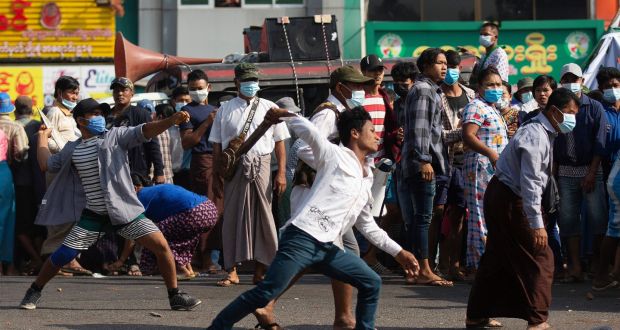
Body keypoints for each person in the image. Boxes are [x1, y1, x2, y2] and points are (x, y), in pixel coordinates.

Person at [208, 107, 420, 330]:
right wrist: (284, 113)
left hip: (328, 247)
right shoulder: (334, 155)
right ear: (354, 133)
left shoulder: (367, 177)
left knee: (371, 282)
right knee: (266, 292)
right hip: (302, 238)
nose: (377, 136)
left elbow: (367, 225)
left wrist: (399, 252)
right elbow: (309, 131)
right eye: (371, 130)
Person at [19, 98, 200, 311]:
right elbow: (46, 164)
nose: (99, 118)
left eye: (101, 113)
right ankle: (34, 291)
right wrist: (42, 138)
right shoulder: (73, 149)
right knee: (62, 255)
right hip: (94, 215)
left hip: (124, 211)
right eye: (94, 114)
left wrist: (171, 120)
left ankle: (175, 295)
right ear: (81, 121)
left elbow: (145, 130)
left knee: (162, 247)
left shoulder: (115, 137)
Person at [467, 88, 580, 330]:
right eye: (569, 113)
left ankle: (477, 314)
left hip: (505, 195)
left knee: (497, 256)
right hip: (510, 198)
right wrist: (537, 225)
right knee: (541, 256)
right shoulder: (535, 134)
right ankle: (537, 320)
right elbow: (531, 183)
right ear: (554, 112)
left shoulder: (546, 131)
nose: (573, 119)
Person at [292, 65, 375, 328]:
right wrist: (333, 167)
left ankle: (343, 316)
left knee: (337, 252)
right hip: (319, 194)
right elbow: (303, 147)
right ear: (341, 87)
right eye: (357, 85)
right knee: (333, 252)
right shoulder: (328, 113)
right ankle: (344, 316)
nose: (361, 90)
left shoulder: (343, 111)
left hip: (332, 196)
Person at [209, 63, 289, 287]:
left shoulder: (270, 107)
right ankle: (231, 270)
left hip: (262, 165)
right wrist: (216, 175)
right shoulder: (225, 109)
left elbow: (280, 142)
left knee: (264, 216)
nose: (251, 84)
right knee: (232, 217)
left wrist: (281, 172)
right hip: (233, 168)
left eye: (254, 80)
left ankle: (262, 270)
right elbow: (216, 145)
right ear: (236, 82)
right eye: (246, 80)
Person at [402, 48, 452, 286]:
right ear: (426, 66)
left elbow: (433, 132)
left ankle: (415, 270)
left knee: (420, 218)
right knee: (423, 218)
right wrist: (424, 160)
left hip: (423, 161)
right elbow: (419, 130)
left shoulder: (429, 90)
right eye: (440, 63)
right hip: (422, 164)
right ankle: (423, 269)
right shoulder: (423, 90)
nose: (445, 67)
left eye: (446, 63)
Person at [555, 63, 607, 283]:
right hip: (565, 171)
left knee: (598, 218)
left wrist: (592, 172)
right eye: (566, 79)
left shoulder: (594, 107)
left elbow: (600, 142)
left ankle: (596, 264)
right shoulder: (556, 107)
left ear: (582, 81)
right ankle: (575, 267)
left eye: (574, 79)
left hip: (590, 169)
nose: (571, 83)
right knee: (567, 220)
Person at [111, 174, 218, 279]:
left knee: (156, 237)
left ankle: (181, 270)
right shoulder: (154, 191)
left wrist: (121, 260)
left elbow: (132, 235)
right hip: (210, 209)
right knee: (178, 239)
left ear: (135, 188)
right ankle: (189, 270)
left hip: (195, 212)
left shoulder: (140, 198)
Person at [433, 50, 475, 281]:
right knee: (437, 212)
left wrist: (468, 137)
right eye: (447, 65)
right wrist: (463, 133)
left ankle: (454, 264)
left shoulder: (470, 94)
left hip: (465, 162)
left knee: (459, 214)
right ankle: (431, 264)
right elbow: (435, 134)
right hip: (442, 161)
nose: (451, 70)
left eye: (455, 66)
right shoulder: (435, 95)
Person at [462, 67, 509, 271]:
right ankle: (480, 264)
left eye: (498, 85)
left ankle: (491, 262)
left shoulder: (493, 108)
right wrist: (490, 153)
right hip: (480, 168)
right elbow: (468, 135)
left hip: (495, 169)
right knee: (480, 216)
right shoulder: (476, 107)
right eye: (490, 84)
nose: (495, 88)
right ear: (479, 87)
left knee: (493, 214)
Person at [359, 54, 401, 275]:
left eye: (380, 70)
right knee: (363, 211)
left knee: (387, 211)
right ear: (363, 72)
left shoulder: (385, 97)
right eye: (372, 70)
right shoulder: (358, 98)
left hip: (383, 164)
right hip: (363, 164)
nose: (377, 74)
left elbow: (389, 129)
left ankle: (370, 255)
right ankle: (362, 257)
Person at [106, 77, 165, 184]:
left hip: (136, 172)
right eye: (116, 90)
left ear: (132, 93)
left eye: (124, 90)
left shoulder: (141, 114)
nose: (120, 93)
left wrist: (159, 171)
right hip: (111, 172)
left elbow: (153, 144)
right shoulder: (106, 116)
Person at [593, 67, 620, 291]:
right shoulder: (601, 111)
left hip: (615, 170)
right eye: (609, 86)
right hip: (611, 174)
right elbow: (600, 146)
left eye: (616, 85)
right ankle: (601, 274)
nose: (613, 90)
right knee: (613, 228)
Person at [12, 96, 45, 274]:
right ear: (32, 110)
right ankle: (39, 258)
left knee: (21, 225)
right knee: (37, 225)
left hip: (19, 184)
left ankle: (36, 260)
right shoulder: (38, 126)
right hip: (39, 184)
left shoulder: (11, 126)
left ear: (15, 110)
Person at [0, 93, 28, 275]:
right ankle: (7, 266)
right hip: (4, 173)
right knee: (6, 220)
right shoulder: (15, 126)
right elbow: (21, 154)